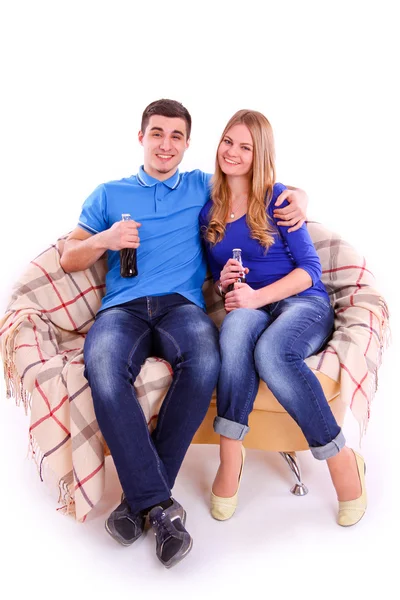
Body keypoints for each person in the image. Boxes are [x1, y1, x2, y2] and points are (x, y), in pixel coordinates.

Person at [60, 99, 308, 568]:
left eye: (177, 136)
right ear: (141, 138)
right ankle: (160, 506)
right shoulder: (108, 193)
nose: (166, 144)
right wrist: (104, 240)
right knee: (104, 368)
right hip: (122, 309)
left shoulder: (202, 186)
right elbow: (69, 257)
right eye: (157, 133)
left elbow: (261, 184)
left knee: (206, 362)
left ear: (188, 144)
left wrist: (302, 197)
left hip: (182, 307)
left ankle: (138, 504)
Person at [199, 109, 367, 527]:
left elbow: (310, 269)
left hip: (301, 303)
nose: (232, 152)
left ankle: (341, 460)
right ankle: (230, 456)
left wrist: (257, 296)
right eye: (227, 142)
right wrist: (225, 284)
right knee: (235, 330)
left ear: (260, 155)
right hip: (252, 306)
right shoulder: (210, 213)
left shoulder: (279, 199)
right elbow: (216, 280)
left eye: (245, 146)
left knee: (273, 353)